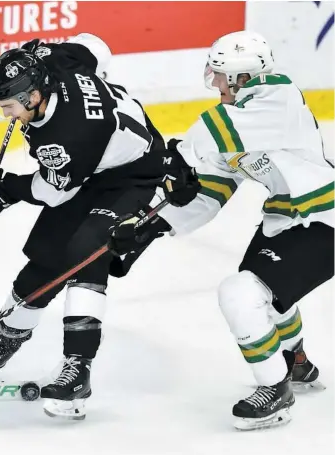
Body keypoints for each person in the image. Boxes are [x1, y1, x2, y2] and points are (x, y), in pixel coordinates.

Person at [108, 31, 332, 430]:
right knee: (270, 298)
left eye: (221, 76)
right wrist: (150, 226)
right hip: (285, 218)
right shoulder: (239, 121)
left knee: (241, 293)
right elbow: (209, 192)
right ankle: (296, 362)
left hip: (325, 220)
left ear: (244, 77)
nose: (215, 83)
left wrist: (174, 156)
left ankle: (274, 390)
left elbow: (212, 133)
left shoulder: (277, 97)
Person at [0, 33, 166, 420]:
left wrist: (6, 189)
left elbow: (53, 192)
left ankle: (77, 369)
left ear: (34, 96)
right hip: (93, 167)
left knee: (86, 252)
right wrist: (34, 52)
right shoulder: (51, 63)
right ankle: (3, 344)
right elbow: (96, 46)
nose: (7, 116)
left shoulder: (69, 135)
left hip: (131, 177)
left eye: (11, 106)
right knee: (46, 258)